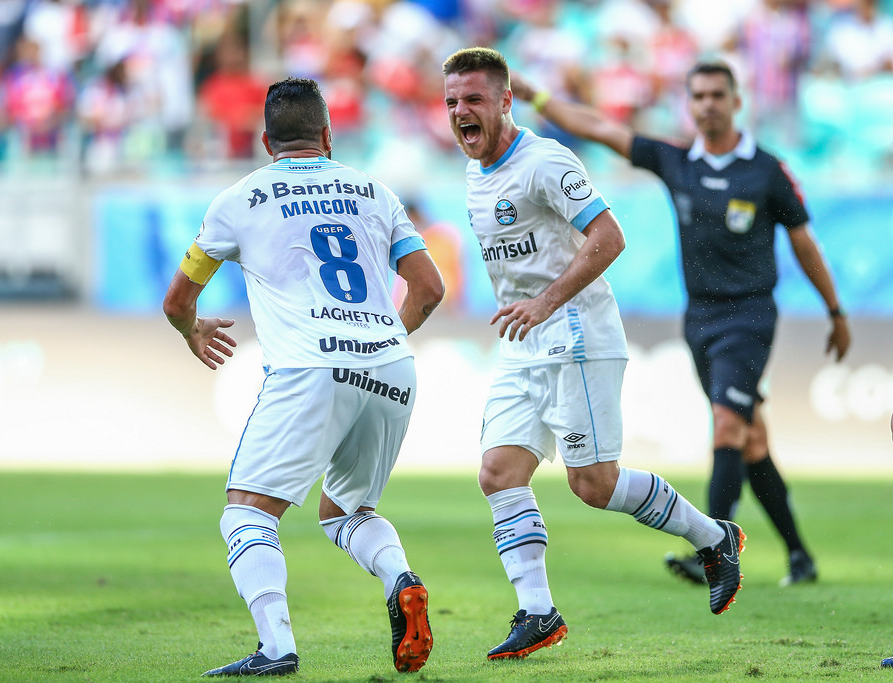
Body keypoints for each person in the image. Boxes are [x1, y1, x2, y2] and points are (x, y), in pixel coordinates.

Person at [441, 46, 745, 662]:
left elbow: (610, 237)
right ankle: (537, 612)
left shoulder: (546, 162)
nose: (459, 112)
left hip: (578, 336)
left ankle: (715, 539)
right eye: (451, 102)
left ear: (505, 100)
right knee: (498, 472)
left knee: (594, 485)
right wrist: (531, 307)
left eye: (473, 99)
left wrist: (547, 300)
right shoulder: (475, 171)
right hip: (524, 344)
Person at [511, 60, 851, 587]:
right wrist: (537, 98)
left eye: (718, 94)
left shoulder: (767, 170)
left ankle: (712, 548)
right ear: (688, 104)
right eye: (699, 95)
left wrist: (834, 310)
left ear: (736, 101)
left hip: (751, 315)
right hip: (700, 318)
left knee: (727, 424)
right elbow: (598, 127)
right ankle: (800, 557)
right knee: (752, 441)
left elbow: (804, 243)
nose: (708, 103)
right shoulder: (675, 161)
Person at [162, 77, 444, 677]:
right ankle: (401, 579)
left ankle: (277, 649)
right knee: (345, 511)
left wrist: (190, 330)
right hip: (391, 365)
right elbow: (430, 288)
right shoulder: (375, 191)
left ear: (267, 141)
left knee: (246, 512)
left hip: (310, 368)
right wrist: (377, 341)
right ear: (327, 135)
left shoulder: (238, 199)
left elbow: (178, 299)